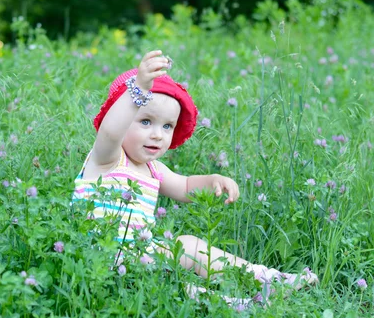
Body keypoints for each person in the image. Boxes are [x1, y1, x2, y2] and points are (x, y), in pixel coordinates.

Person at [72, 50, 318, 307]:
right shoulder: (107, 158)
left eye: (167, 126)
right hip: (100, 260)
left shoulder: (153, 168)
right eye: (145, 121)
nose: (158, 134)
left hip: (139, 255)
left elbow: (185, 186)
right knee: (168, 280)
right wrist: (139, 89)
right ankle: (232, 303)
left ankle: (264, 281)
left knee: (185, 248)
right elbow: (111, 131)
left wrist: (212, 180)